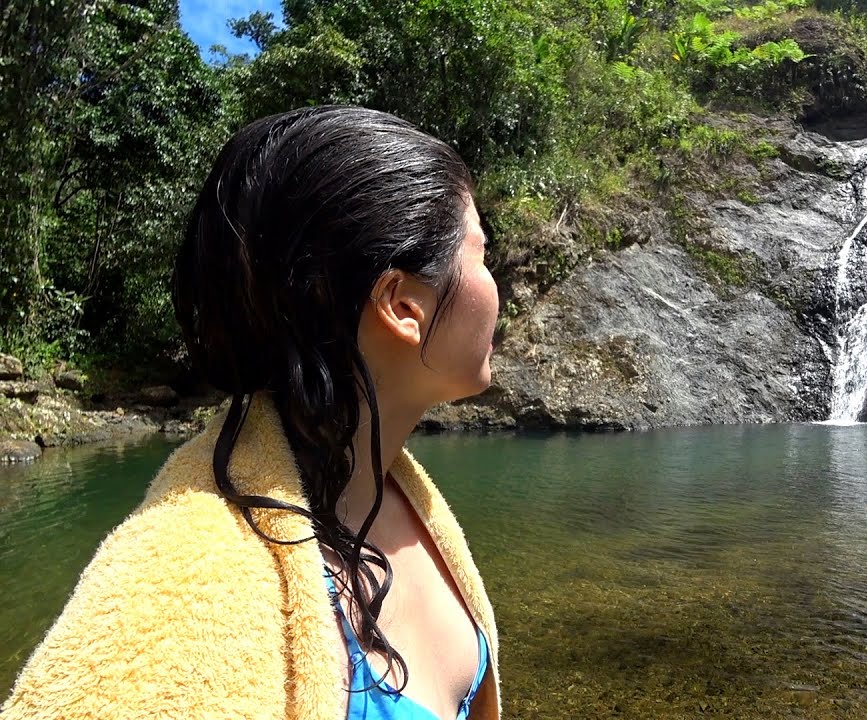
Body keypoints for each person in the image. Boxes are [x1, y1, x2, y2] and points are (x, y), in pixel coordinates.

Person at [1, 106, 502, 720]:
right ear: (403, 305)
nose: (493, 283)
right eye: (482, 253)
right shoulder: (177, 588)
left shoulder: (401, 494)